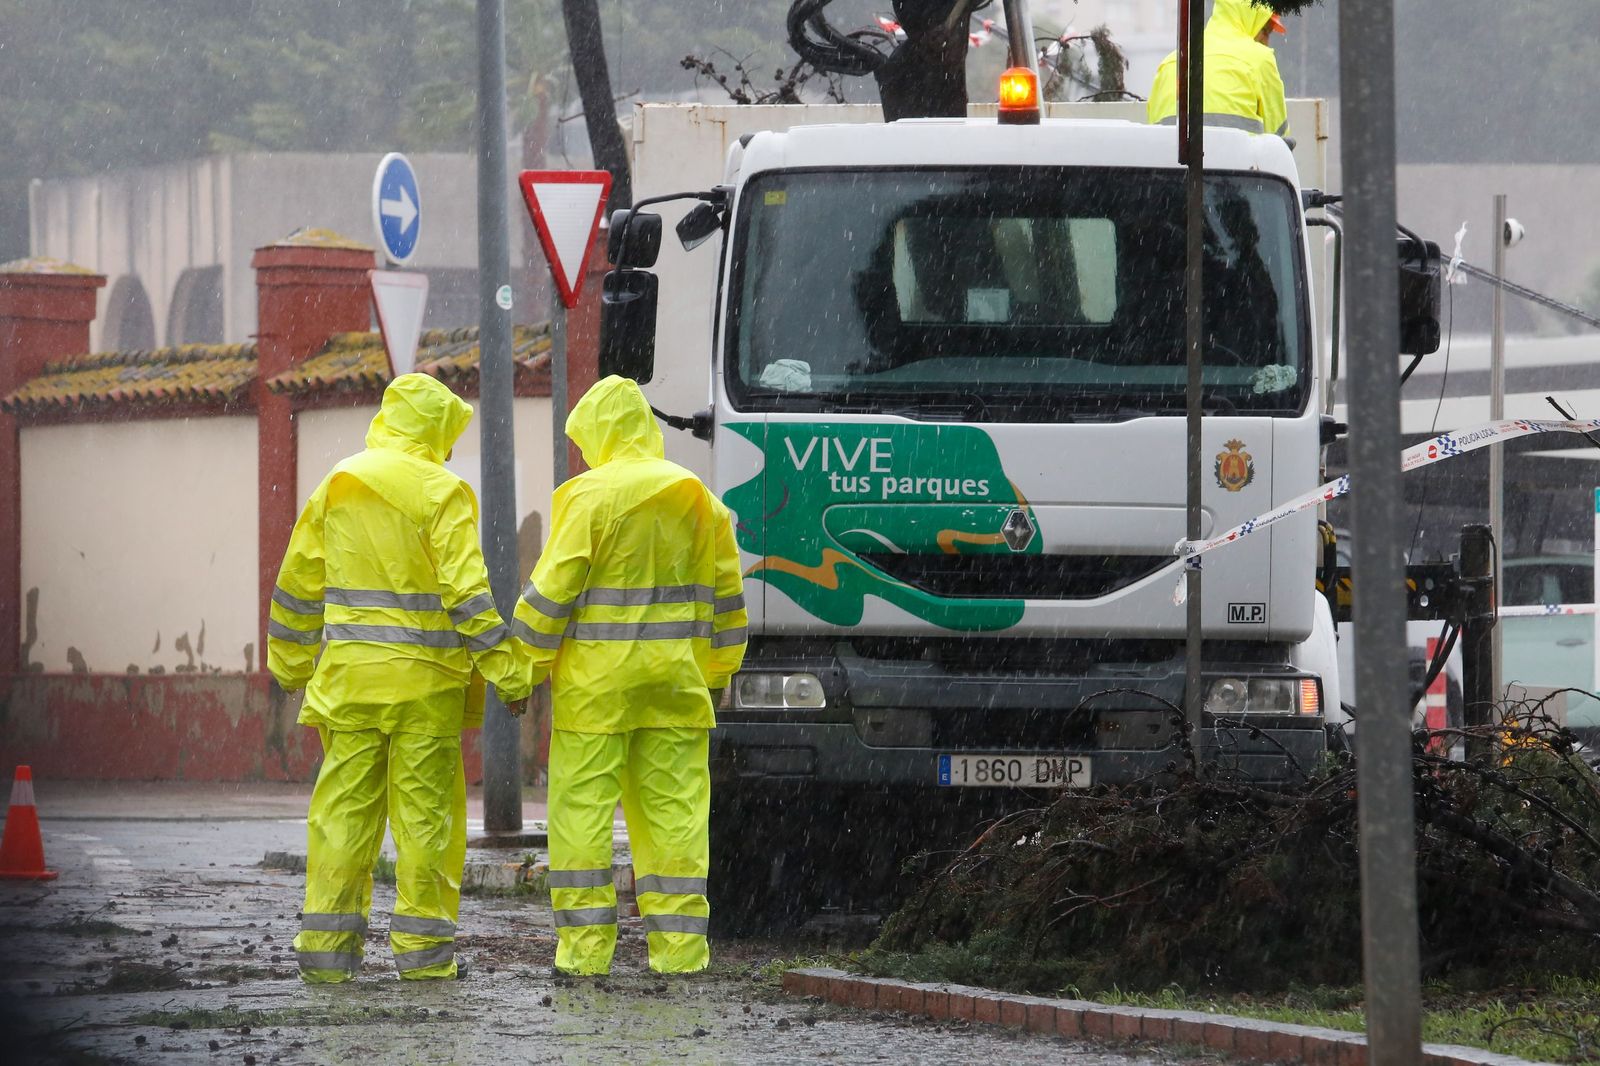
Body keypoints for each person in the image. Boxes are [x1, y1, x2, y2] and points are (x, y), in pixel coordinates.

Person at [268, 372, 531, 983]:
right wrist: (509, 674)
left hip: (350, 687)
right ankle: (424, 957)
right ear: (433, 428)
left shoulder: (340, 482)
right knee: (426, 825)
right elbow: (468, 597)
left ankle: (327, 958)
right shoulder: (443, 491)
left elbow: (296, 584)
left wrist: (290, 665)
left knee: (342, 817)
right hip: (424, 692)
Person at [513, 375, 747, 976]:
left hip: (596, 695)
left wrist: (520, 674)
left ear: (602, 433)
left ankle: (586, 956)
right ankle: (680, 954)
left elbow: (548, 601)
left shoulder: (588, 498)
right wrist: (716, 675)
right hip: (675, 688)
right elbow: (727, 606)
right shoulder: (698, 498)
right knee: (675, 820)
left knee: (582, 820)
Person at [1146, 0, 1291, 144]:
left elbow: (1153, 141)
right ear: (1250, 19)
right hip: (1242, 165)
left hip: (1174, 167)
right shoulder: (1260, 60)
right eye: (1265, 31)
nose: (1266, 41)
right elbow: (1279, 141)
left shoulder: (1170, 64)